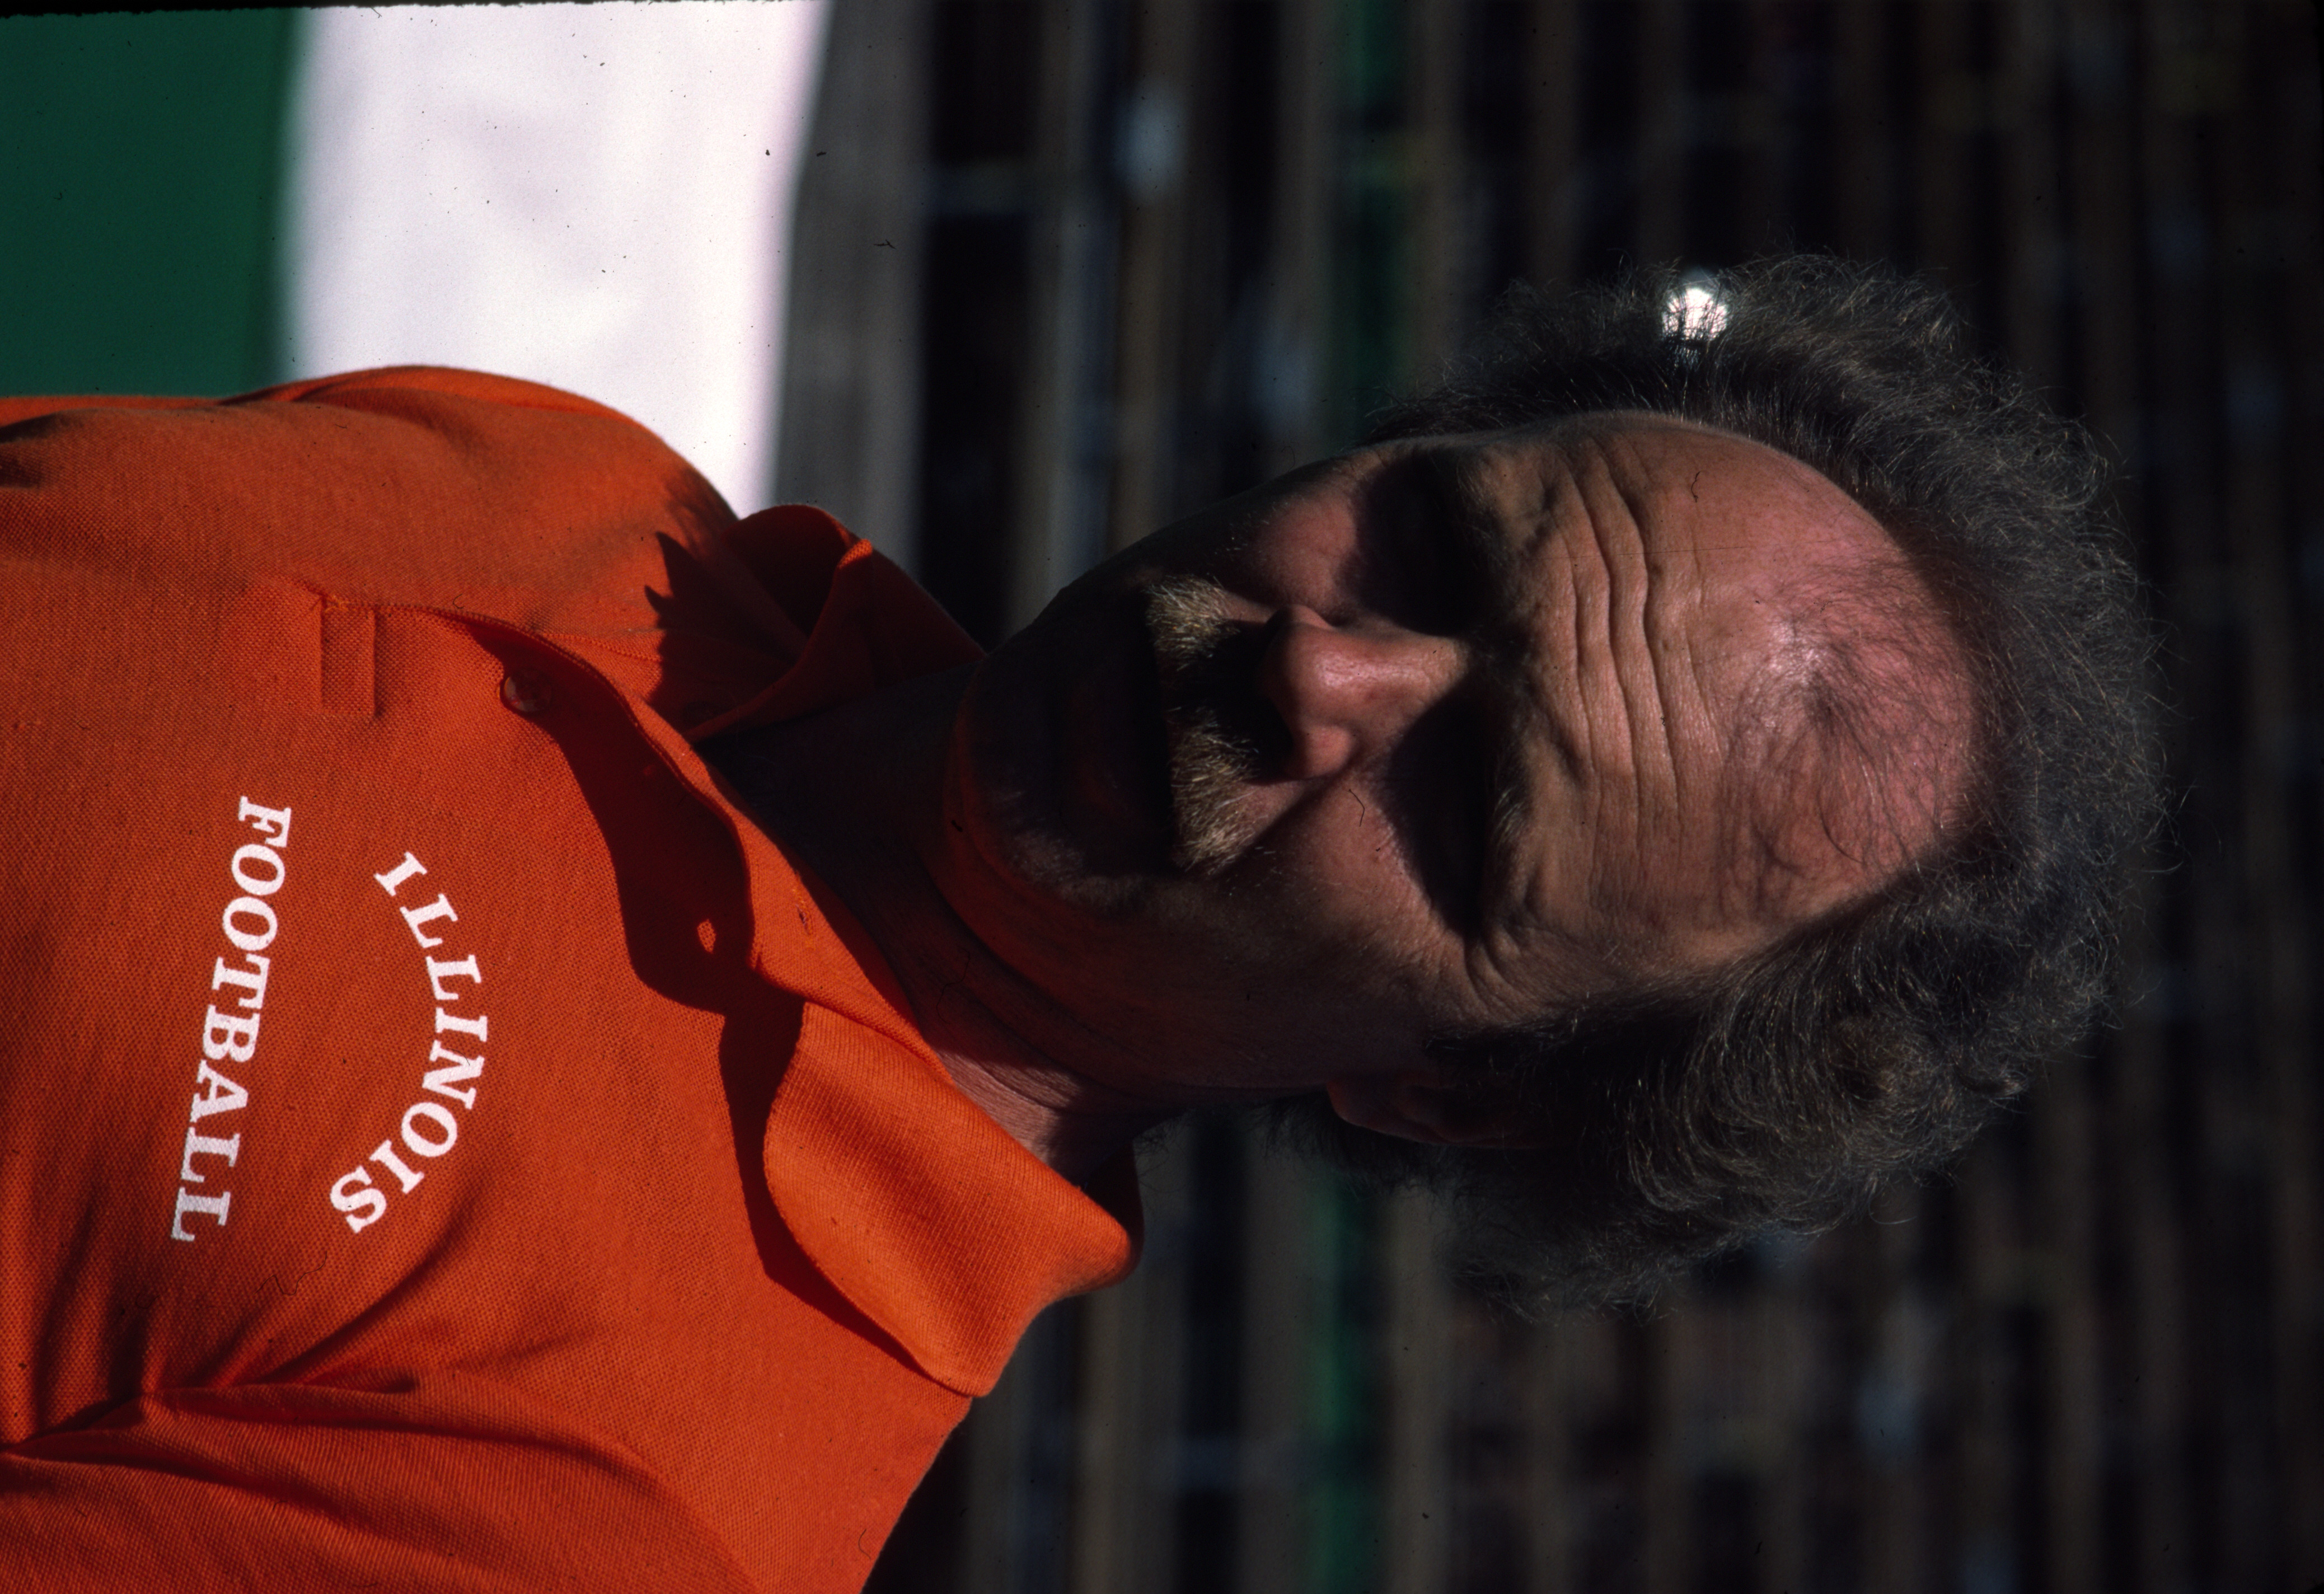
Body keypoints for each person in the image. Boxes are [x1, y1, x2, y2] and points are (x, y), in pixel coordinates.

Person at [0, 258, 2153, 1590]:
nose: (1324, 670)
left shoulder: (643, 1512)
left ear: (1455, 1089)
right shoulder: (581, 489)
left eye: (1472, 800)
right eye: (1432, 545)